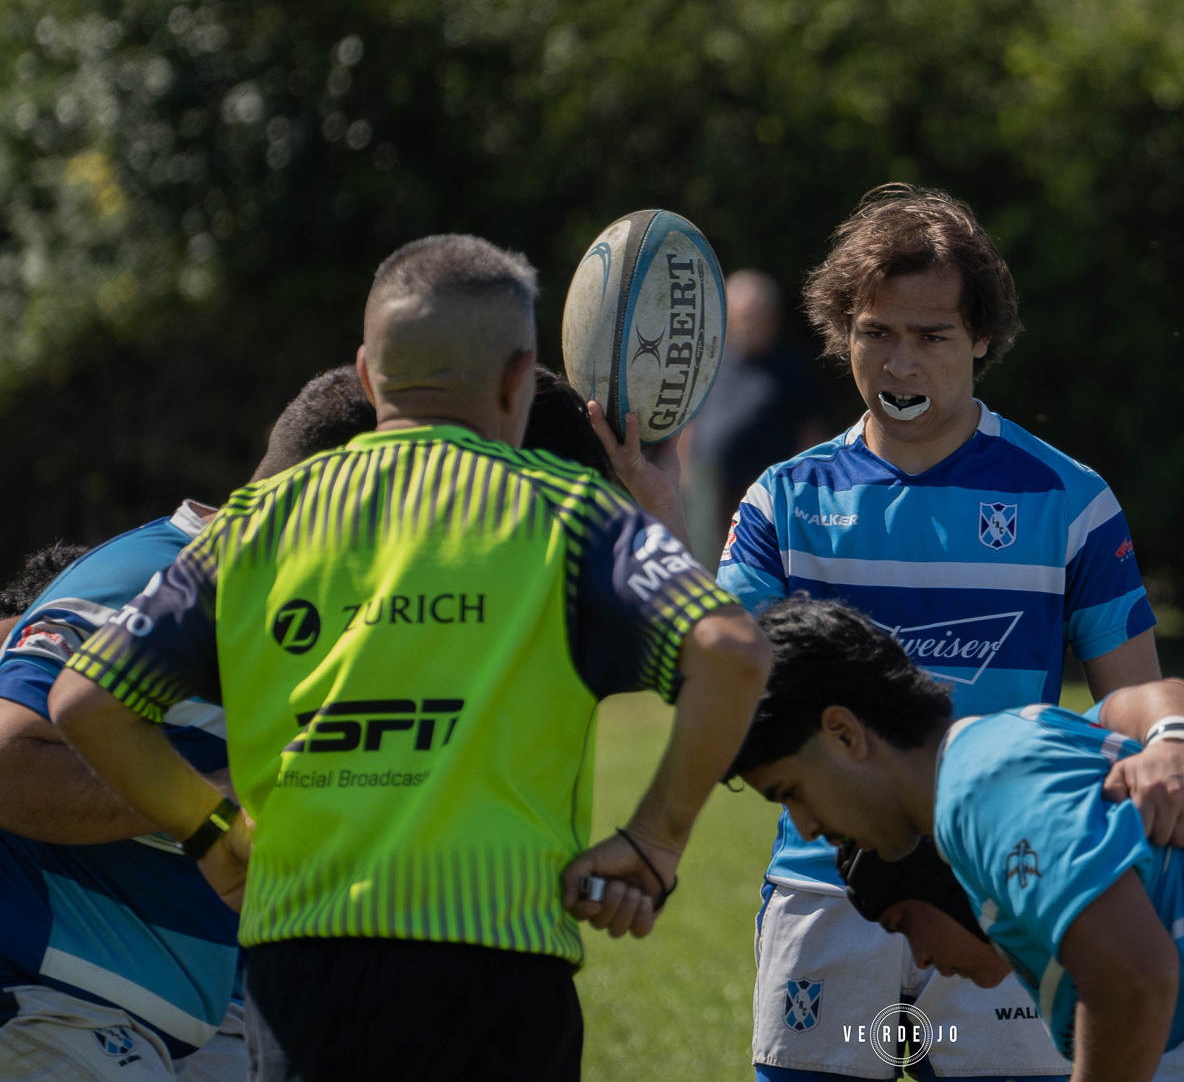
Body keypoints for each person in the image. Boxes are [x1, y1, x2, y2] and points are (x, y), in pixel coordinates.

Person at [44, 234, 773, 1082]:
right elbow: (731, 650)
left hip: (301, 966)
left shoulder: (257, 523)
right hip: (501, 965)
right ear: (517, 378)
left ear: (364, 374)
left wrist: (209, 834)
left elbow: (83, 701)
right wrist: (654, 840)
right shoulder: (564, 513)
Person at [687, 184, 1172, 1080]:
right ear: (844, 333)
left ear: (981, 338)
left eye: (932, 335)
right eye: (877, 332)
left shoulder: (1071, 499)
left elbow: (1131, 699)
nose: (900, 363)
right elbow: (720, 683)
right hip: (823, 886)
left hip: (1007, 883)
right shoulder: (783, 501)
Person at [726, 598, 1184, 1082]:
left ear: (845, 733)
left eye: (791, 791)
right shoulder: (1024, 740)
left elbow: (1134, 981)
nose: (808, 826)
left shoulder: (982, 782)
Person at [0, 366, 373, 1082]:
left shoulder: (297, 621)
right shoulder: (157, 578)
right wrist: (227, 796)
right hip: (49, 1006)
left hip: (166, 1024)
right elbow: (10, 759)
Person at [678, 269, 829, 561]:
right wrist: (685, 478)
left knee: (757, 565)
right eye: (744, 315)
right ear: (730, 317)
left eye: (759, 314)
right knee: (708, 566)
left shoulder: (792, 366)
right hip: (710, 489)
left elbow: (811, 431)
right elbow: (691, 422)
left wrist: (805, 490)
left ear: (774, 317)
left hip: (767, 493)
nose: (751, 323)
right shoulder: (712, 361)